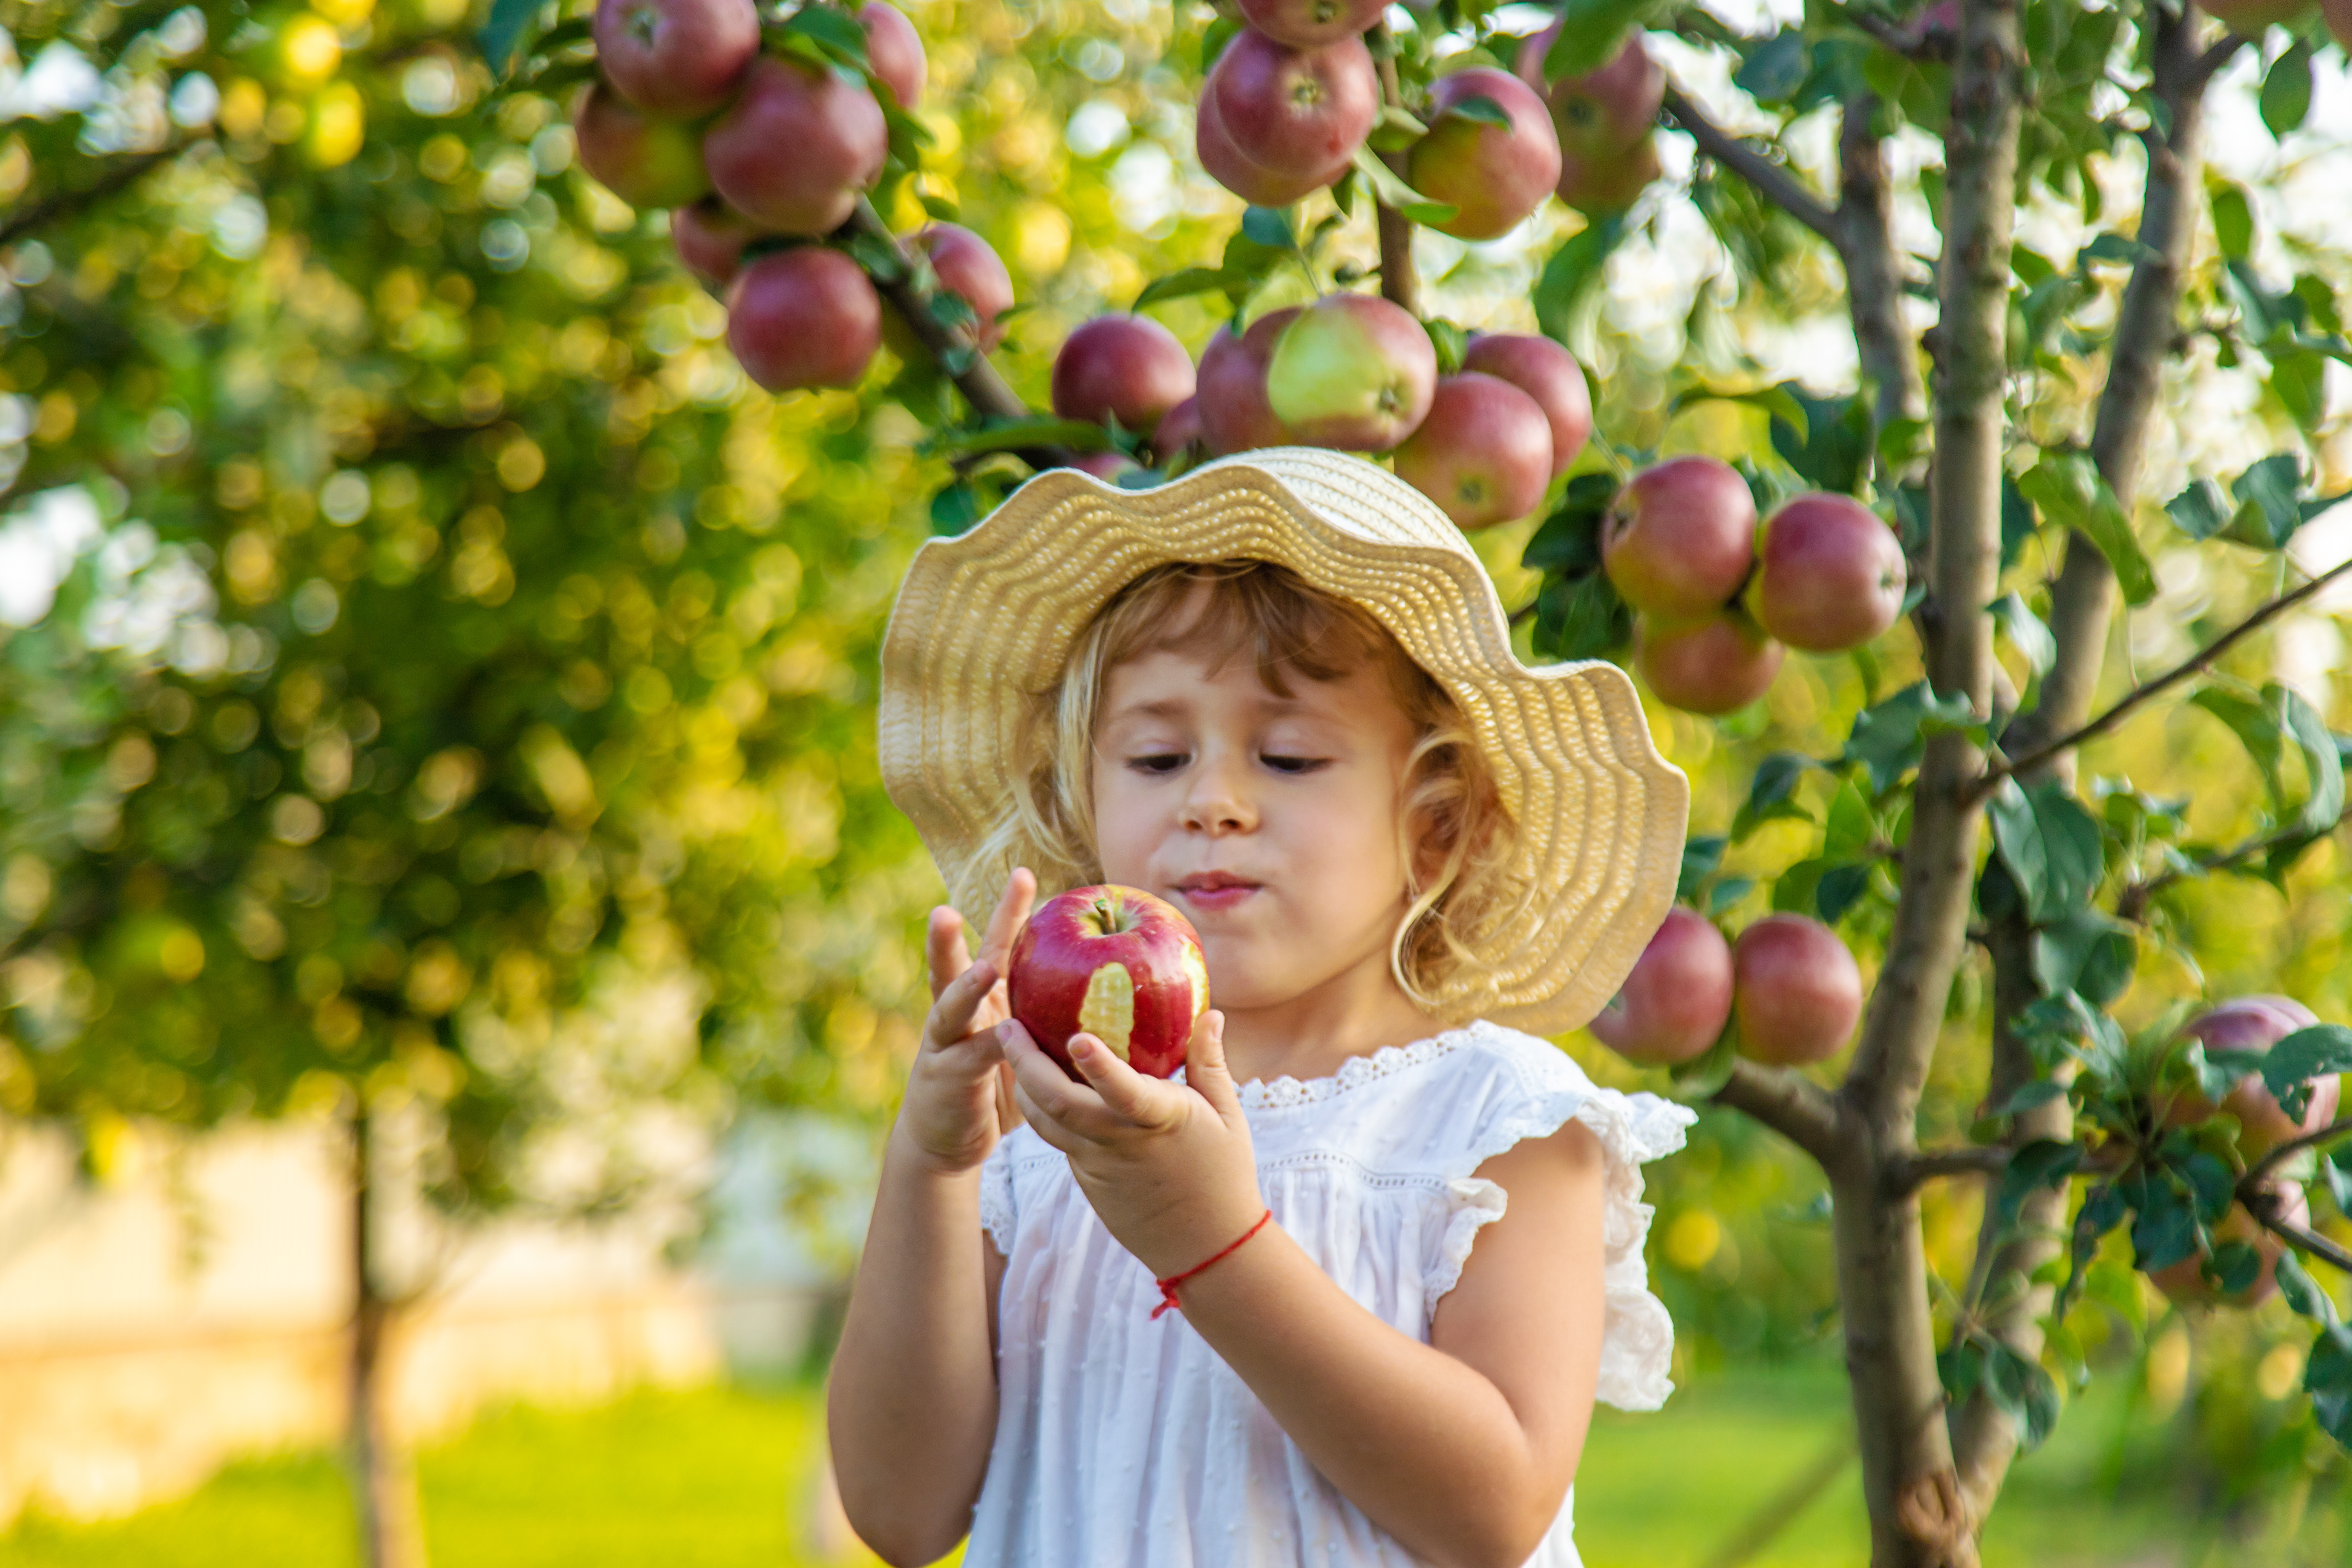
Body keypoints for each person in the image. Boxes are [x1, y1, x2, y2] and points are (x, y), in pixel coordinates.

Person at [829, 447, 1696, 1567]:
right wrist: (936, 1166)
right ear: (1082, 800)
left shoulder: (1497, 1124)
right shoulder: (1046, 1121)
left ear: (1432, 827)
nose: (1212, 801)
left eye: (1287, 758)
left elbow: (1492, 1513)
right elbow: (901, 1513)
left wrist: (1212, 1244)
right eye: (1154, 756)